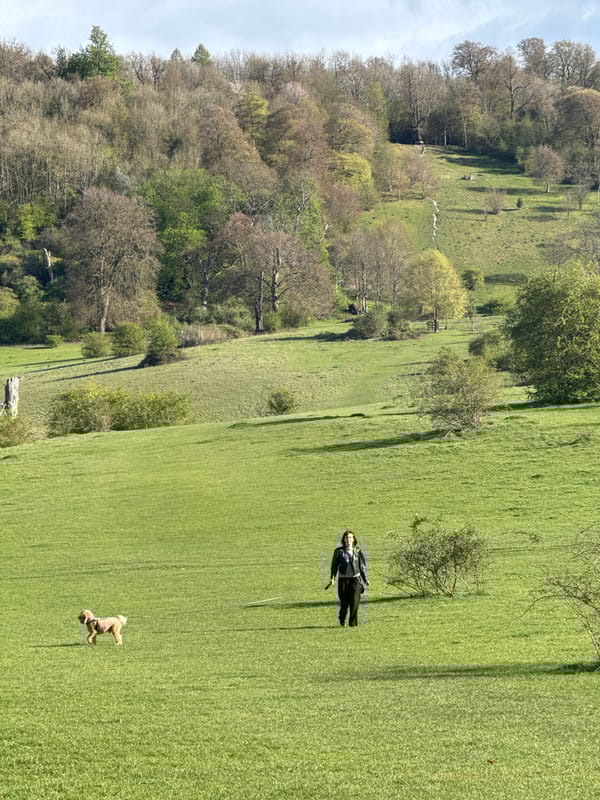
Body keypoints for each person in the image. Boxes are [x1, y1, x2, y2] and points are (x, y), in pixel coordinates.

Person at [325, 529, 369, 627]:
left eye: (350, 537)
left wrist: (365, 579)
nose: (348, 539)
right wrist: (332, 578)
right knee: (344, 604)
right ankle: (342, 618)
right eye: (346, 537)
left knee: (354, 602)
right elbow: (334, 566)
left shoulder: (358, 550)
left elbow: (362, 566)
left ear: (353, 539)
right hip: (343, 580)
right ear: (344, 539)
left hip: (355, 580)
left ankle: (352, 624)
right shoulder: (338, 551)